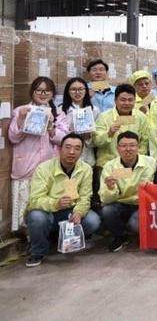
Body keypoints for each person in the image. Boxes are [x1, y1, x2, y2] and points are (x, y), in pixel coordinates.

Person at [24, 133, 101, 267]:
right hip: (47, 212)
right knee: (37, 217)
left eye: (77, 148)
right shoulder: (44, 168)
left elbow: (85, 197)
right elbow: (35, 200)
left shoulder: (86, 169)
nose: (72, 152)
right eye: (68, 147)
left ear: (81, 152)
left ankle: (60, 239)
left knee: (93, 220)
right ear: (60, 149)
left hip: (69, 212)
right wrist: (55, 203)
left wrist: (79, 212)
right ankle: (38, 251)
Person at [8, 77, 67, 232]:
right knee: (25, 204)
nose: (43, 93)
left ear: (52, 94)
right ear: (32, 92)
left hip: (48, 167)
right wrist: (22, 118)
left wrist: (51, 127)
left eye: (47, 90)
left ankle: (44, 232)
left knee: (46, 204)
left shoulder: (58, 113)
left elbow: (64, 140)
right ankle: (25, 234)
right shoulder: (20, 110)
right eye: (39, 90)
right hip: (26, 165)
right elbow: (13, 137)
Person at [100, 131, 157, 252]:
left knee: (135, 225)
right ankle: (120, 236)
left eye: (132, 145)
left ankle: (142, 235)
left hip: (141, 203)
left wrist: (150, 186)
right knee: (107, 210)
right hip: (120, 203)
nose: (128, 149)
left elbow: (155, 186)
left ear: (138, 147)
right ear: (117, 148)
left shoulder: (150, 162)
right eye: (123, 146)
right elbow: (104, 199)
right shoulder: (109, 166)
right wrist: (110, 188)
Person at [93, 83, 151, 170]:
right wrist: (109, 133)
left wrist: (133, 159)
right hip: (108, 164)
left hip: (133, 163)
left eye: (130, 100)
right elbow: (97, 141)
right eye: (123, 100)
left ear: (135, 101)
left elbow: (144, 142)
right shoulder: (104, 117)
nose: (127, 103)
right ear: (115, 100)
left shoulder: (141, 117)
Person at [59, 77, 99, 167]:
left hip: (87, 158)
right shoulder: (61, 110)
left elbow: (98, 138)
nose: (77, 92)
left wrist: (88, 137)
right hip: (66, 158)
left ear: (86, 91)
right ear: (68, 91)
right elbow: (57, 135)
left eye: (81, 89)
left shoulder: (94, 110)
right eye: (73, 89)